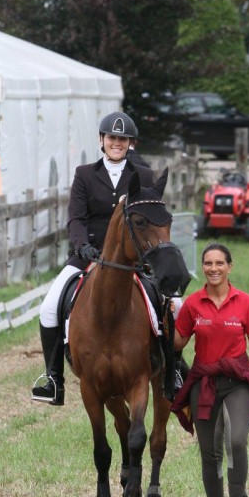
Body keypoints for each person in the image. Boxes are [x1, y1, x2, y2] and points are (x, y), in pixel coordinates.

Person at [31, 111, 155, 406]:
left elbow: (150, 218)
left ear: (130, 143)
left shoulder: (144, 176)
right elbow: (76, 217)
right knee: (49, 309)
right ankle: (54, 380)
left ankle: (171, 371)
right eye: (112, 137)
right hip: (87, 255)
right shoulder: (85, 174)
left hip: (130, 259)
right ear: (102, 140)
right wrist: (81, 245)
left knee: (169, 305)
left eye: (122, 139)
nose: (116, 143)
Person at [171, 242, 249, 497]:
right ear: (203, 267)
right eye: (208, 263)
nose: (213, 268)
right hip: (204, 383)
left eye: (220, 263)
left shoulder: (244, 301)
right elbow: (178, 343)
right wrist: (168, 316)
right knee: (209, 450)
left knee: (236, 441)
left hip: (237, 382)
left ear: (230, 267)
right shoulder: (193, 304)